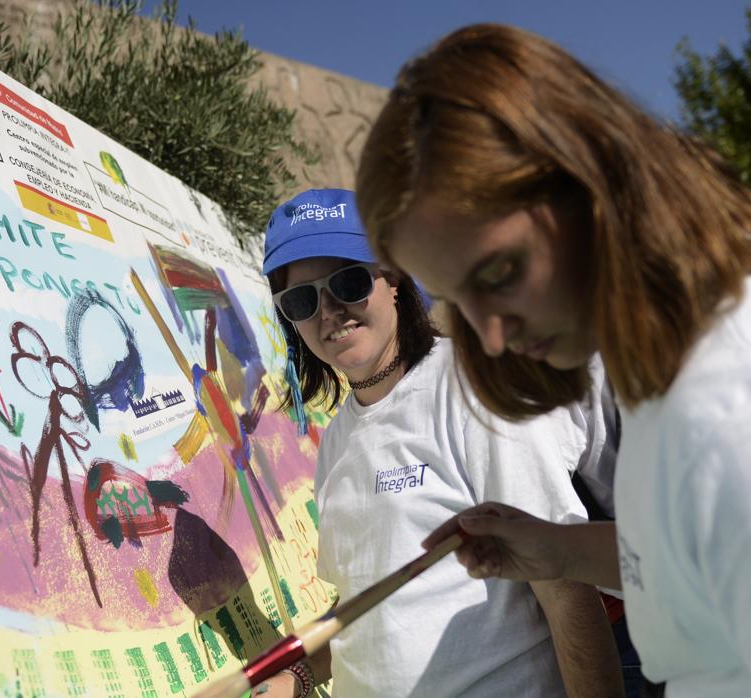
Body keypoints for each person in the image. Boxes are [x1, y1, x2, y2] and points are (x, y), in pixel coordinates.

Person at [356, 23, 751, 697]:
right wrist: (561, 549)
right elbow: (706, 556)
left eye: (502, 272)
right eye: (456, 301)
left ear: (591, 176)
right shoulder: (672, 360)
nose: (494, 337)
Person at [252, 188, 623, 697]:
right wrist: (294, 676)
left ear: (396, 282)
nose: (330, 311)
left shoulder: (473, 389)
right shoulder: (336, 439)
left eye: (349, 281)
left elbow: (565, 589)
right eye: (301, 299)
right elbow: (365, 603)